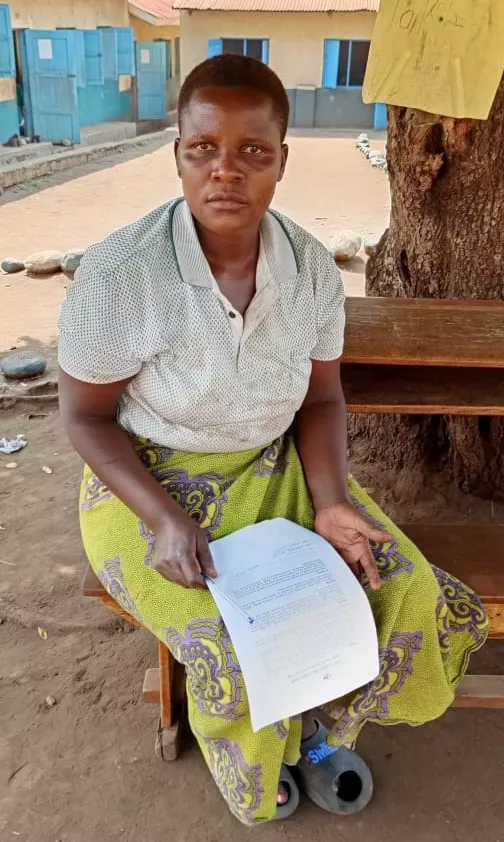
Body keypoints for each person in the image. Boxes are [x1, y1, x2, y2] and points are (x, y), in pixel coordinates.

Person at [58, 54, 488, 826]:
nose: (227, 171)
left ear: (283, 160)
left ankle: (320, 731)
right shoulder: (121, 277)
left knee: (397, 587)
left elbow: (322, 396)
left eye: (253, 151)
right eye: (203, 150)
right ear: (179, 153)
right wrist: (162, 518)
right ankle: (249, 756)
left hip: (275, 467)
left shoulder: (312, 272)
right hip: (146, 479)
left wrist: (329, 503)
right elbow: (85, 418)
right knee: (229, 632)